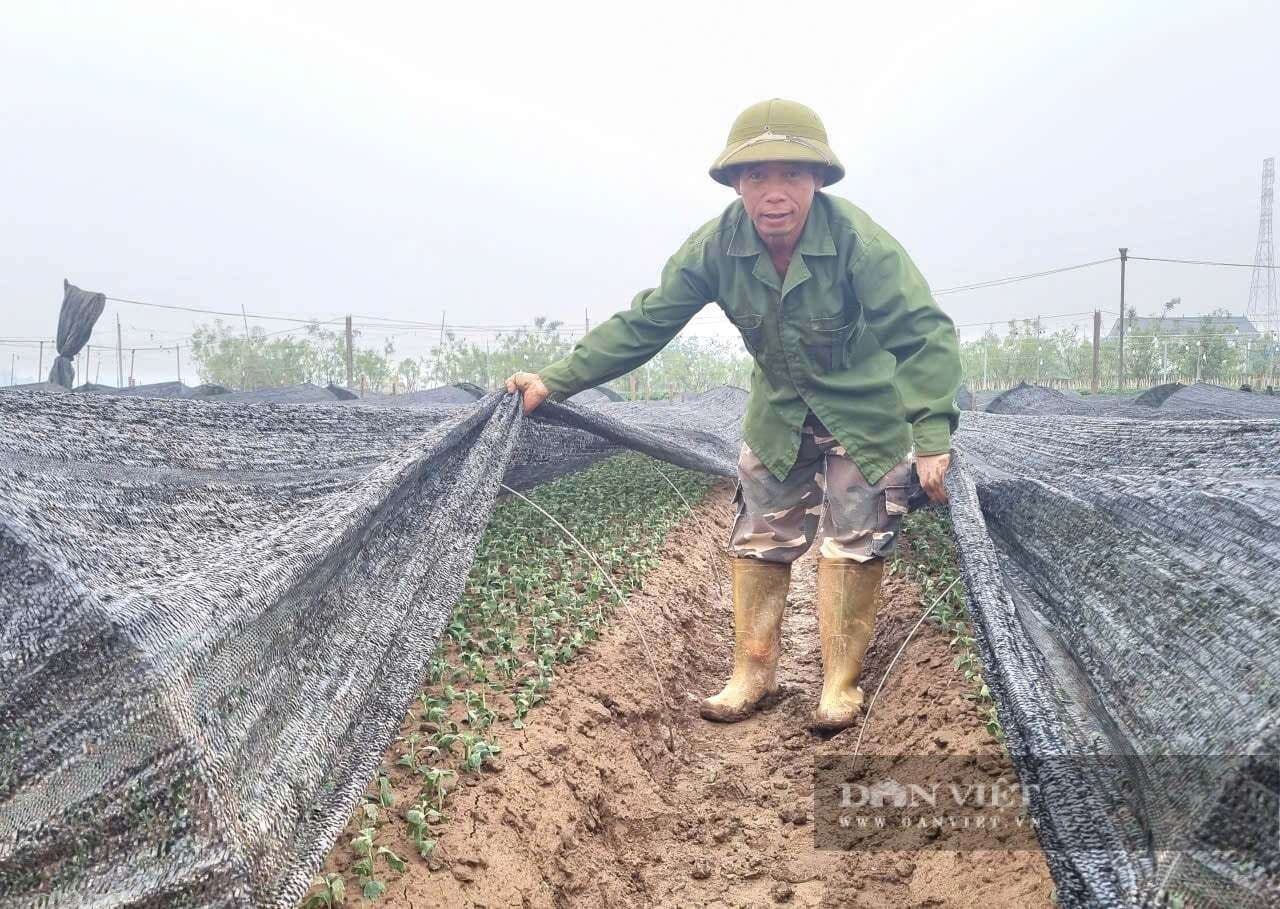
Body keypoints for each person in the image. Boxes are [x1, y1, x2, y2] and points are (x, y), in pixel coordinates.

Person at [506, 98, 961, 731]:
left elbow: (923, 333)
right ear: (736, 184)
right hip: (778, 411)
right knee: (758, 537)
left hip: (865, 410)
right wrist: (556, 381)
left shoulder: (859, 242)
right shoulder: (717, 246)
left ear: (818, 180)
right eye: (756, 175)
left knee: (856, 540)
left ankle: (840, 684)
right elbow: (647, 321)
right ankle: (753, 673)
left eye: (791, 174)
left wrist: (932, 434)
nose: (774, 192)